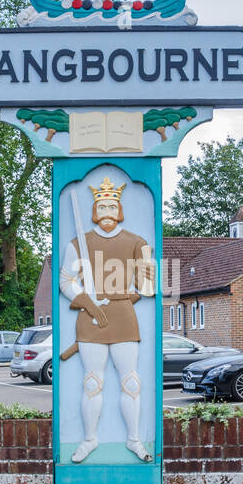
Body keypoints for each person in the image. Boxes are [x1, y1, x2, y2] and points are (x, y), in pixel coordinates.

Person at [58, 175, 154, 462]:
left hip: (124, 318)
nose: (107, 214)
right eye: (102, 208)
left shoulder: (138, 242)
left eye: (112, 207)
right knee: (92, 383)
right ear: (94, 211)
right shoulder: (78, 243)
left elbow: (148, 285)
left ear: (120, 209)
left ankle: (134, 440)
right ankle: (89, 439)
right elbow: (66, 281)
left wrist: (121, 299)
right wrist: (88, 301)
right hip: (90, 320)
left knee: (131, 382)